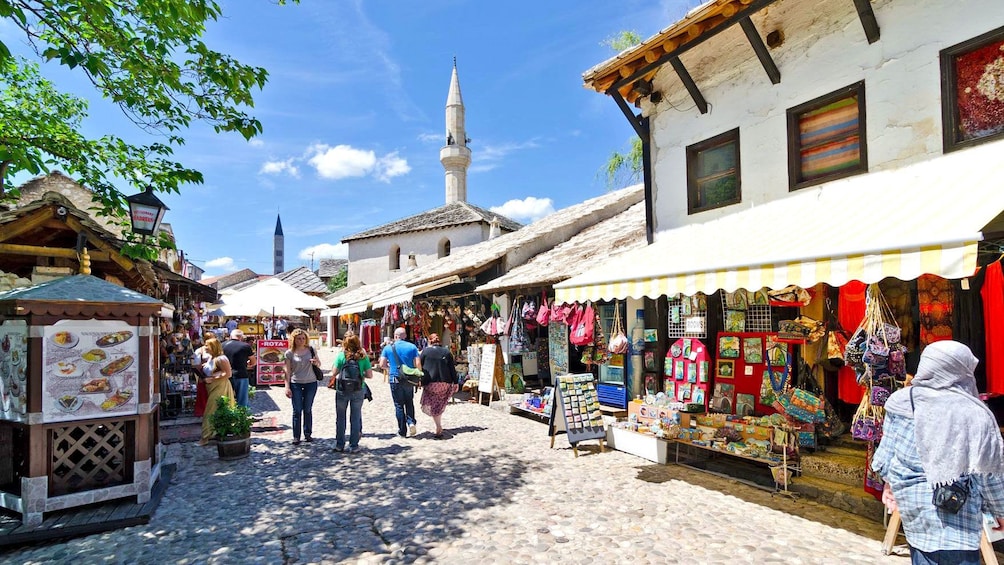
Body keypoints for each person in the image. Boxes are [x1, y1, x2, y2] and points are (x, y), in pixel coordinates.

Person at [872, 341, 1004, 564]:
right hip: (956, 521)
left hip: (914, 513)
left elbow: (886, 456)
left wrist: (890, 486)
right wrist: (999, 509)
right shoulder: (973, 413)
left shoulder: (901, 401)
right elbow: (987, 473)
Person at [332, 334, 372, 453]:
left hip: (342, 389)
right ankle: (353, 445)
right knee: (355, 418)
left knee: (340, 417)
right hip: (358, 389)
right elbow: (370, 375)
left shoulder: (341, 355)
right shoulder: (362, 357)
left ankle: (340, 444)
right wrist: (360, 374)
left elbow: (334, 372)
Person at [380, 327, 421, 438]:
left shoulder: (388, 348)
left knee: (398, 405)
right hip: (409, 379)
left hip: (395, 378)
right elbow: (418, 364)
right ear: (405, 336)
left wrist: (389, 368)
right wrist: (419, 376)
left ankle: (402, 431)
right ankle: (411, 422)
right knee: (409, 402)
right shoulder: (412, 347)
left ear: (395, 336)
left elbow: (382, 364)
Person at [284, 328, 321, 445]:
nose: (301, 340)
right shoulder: (289, 353)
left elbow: (319, 363)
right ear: (294, 340)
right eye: (299, 339)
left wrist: (315, 362)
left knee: (308, 409)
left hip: (311, 382)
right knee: (297, 410)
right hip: (296, 383)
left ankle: (308, 433)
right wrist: (287, 386)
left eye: (303, 338)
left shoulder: (311, 350)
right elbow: (287, 371)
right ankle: (296, 436)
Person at [419, 333, 458, 439]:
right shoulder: (446, 351)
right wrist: (456, 382)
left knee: (434, 404)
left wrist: (419, 380)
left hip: (430, 382)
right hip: (444, 383)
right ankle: (438, 424)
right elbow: (452, 368)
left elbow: (419, 366)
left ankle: (438, 426)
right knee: (439, 404)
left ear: (429, 341)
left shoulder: (425, 351)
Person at [199, 337, 236, 446]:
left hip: (220, 386)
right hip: (212, 387)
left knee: (210, 411)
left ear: (213, 347)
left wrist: (213, 379)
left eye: (207, 345)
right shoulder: (211, 358)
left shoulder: (221, 358)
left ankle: (205, 437)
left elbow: (228, 374)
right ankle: (218, 433)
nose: (205, 347)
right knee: (217, 410)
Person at [223, 329, 255, 411]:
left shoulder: (222, 345)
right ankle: (242, 419)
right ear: (241, 337)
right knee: (242, 400)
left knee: (227, 398)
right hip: (241, 374)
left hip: (226, 375)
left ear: (231, 336)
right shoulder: (245, 346)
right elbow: (253, 361)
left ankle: (228, 416)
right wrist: (248, 365)